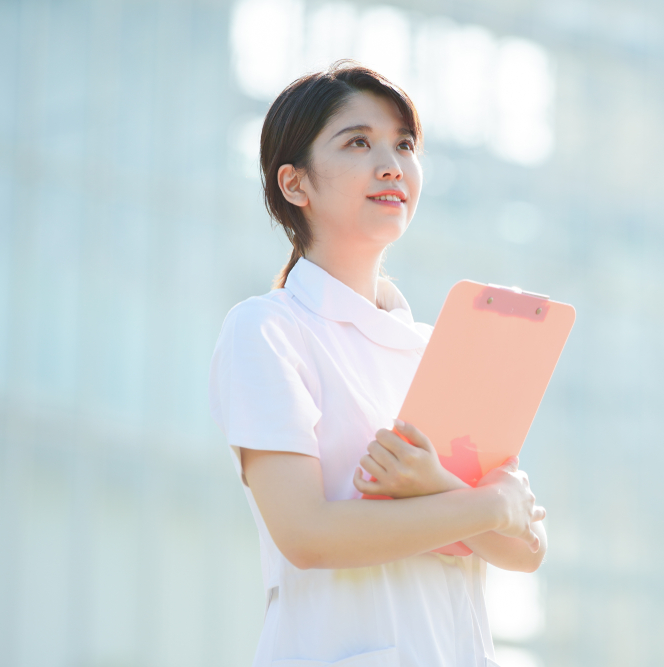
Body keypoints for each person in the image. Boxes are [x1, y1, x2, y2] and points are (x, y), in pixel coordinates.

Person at [208, 62, 547, 667]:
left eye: (405, 145)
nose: (392, 164)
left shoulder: (444, 347)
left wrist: (439, 488)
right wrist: (484, 507)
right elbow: (307, 535)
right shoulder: (268, 330)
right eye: (358, 142)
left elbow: (526, 547)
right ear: (295, 184)